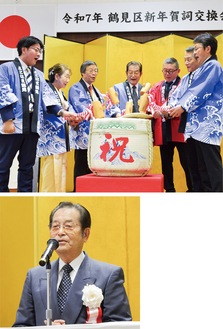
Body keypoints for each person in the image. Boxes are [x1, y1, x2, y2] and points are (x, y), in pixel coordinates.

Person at [12, 201, 132, 326]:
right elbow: (21, 326)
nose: (60, 232)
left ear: (85, 234)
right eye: (55, 226)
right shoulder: (35, 276)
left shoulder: (108, 275)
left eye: (68, 226)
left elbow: (121, 326)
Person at [169, 33, 223, 192]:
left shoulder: (213, 66)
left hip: (207, 125)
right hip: (194, 125)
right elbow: (184, 92)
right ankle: (201, 196)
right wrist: (173, 107)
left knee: (210, 166)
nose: (195, 53)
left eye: (197, 48)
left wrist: (182, 107)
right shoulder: (199, 70)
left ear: (208, 49)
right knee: (198, 167)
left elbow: (201, 90)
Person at [0, 36, 46, 192]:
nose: (39, 54)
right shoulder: (6, 68)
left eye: (40, 51)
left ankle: (25, 197)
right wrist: (7, 119)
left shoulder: (39, 75)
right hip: (13, 124)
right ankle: (2, 197)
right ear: (24, 49)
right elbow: (2, 92)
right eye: (36, 49)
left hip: (32, 127)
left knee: (27, 166)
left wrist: (63, 112)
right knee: (3, 164)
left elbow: (47, 98)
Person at [37, 63, 92, 192]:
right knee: (51, 171)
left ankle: (59, 194)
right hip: (52, 140)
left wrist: (75, 119)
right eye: (66, 76)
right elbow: (52, 107)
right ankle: (49, 196)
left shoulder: (60, 92)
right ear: (57, 76)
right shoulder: (47, 88)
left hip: (62, 139)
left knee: (60, 169)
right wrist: (67, 114)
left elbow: (68, 109)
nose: (68, 80)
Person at [68, 60, 115, 191]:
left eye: (96, 71)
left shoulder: (95, 90)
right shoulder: (76, 88)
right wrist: (98, 111)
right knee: (81, 162)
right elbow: (80, 108)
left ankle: (89, 189)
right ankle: (78, 189)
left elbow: (102, 108)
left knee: (93, 162)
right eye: (91, 71)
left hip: (95, 132)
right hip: (83, 131)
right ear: (83, 73)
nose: (94, 73)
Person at [147, 57, 193, 192]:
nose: (168, 73)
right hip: (164, 130)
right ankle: (169, 189)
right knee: (166, 163)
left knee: (187, 162)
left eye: (171, 71)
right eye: (165, 70)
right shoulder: (156, 86)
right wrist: (155, 111)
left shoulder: (184, 85)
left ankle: (193, 189)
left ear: (178, 70)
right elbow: (151, 104)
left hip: (180, 130)